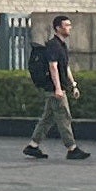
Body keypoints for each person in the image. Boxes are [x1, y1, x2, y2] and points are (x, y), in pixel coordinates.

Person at [24, 14, 86, 161]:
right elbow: (53, 67)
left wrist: (73, 85)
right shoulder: (53, 45)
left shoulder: (62, 45)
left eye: (70, 25)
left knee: (47, 119)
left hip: (59, 88)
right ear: (58, 28)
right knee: (64, 117)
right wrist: (58, 88)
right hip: (54, 90)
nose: (70, 28)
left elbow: (65, 67)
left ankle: (33, 146)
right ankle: (72, 148)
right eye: (67, 25)